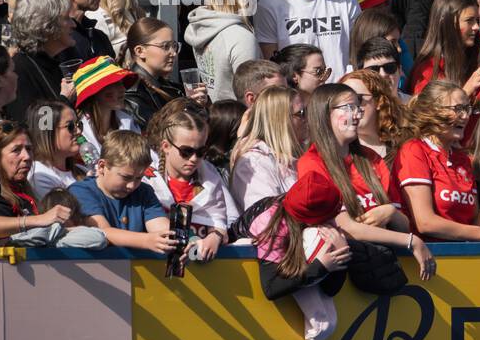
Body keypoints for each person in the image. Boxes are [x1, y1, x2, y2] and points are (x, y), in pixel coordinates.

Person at [295, 81, 435, 275]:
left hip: (383, 266)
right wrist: (411, 241)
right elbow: (347, 227)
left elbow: (403, 225)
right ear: (324, 114)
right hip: (345, 274)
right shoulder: (311, 162)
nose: (357, 115)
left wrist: (391, 213)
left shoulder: (371, 159)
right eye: (348, 108)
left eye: (358, 107)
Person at [396, 80, 480, 243]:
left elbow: (474, 225)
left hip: (462, 259)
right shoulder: (414, 150)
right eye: (458, 109)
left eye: (467, 109)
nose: (465, 116)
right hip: (428, 258)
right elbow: (425, 222)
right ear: (431, 111)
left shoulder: (462, 159)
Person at [142, 99, 236, 260]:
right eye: (186, 151)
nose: (194, 159)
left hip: (204, 268)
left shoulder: (210, 179)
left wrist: (215, 237)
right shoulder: (146, 180)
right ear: (166, 147)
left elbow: (220, 221)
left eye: (201, 152)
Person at [68, 129, 177, 254]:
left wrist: (175, 239)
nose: (132, 185)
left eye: (139, 178)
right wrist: (146, 240)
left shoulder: (144, 192)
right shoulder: (81, 191)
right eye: (126, 177)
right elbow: (103, 232)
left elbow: (162, 228)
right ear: (102, 166)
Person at [183, 0, 259, 104]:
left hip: (218, 119)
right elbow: (253, 98)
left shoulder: (201, 25)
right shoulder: (241, 37)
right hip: (240, 121)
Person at [8, 0, 79, 124]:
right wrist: (65, 99)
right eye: (66, 19)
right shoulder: (19, 70)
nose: (73, 24)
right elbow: (35, 127)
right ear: (46, 26)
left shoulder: (57, 59)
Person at [230, 85, 305, 213]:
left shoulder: (298, 152)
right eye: (301, 114)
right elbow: (267, 221)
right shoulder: (253, 164)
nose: (307, 119)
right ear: (280, 120)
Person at [408, 0, 480, 96]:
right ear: (447, 24)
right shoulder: (427, 69)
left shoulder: (474, 57)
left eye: (477, 20)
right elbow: (427, 111)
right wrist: (466, 91)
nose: (476, 27)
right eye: (469, 21)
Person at [26, 99, 88, 199]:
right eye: (71, 126)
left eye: (79, 124)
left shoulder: (81, 169)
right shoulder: (39, 175)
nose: (79, 131)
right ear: (48, 133)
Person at [338, 69, 403, 162]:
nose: (350, 108)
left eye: (357, 99)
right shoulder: (337, 152)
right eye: (343, 102)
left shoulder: (404, 146)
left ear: (379, 101)